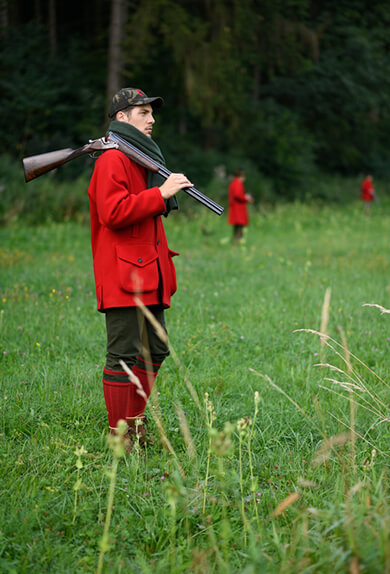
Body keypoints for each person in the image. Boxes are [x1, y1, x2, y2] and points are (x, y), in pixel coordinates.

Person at [88, 87, 192, 449]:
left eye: (151, 113)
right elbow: (112, 213)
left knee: (156, 349)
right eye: (142, 113)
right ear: (121, 118)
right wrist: (160, 194)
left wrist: (158, 194)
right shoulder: (112, 160)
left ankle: (133, 421)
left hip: (147, 272)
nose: (151, 120)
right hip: (123, 275)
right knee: (123, 356)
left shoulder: (139, 159)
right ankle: (122, 436)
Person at [227, 169, 253, 244]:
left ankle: (236, 243)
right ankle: (236, 244)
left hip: (235, 209)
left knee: (237, 228)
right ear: (241, 176)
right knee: (239, 229)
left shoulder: (233, 183)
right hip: (238, 210)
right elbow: (238, 195)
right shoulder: (238, 183)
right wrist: (246, 198)